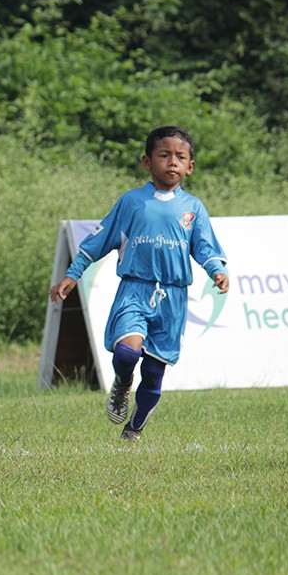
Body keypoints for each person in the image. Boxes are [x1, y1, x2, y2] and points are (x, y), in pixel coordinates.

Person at [48, 126, 229, 441]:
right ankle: (121, 384)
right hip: (135, 289)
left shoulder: (193, 208)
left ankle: (134, 429)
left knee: (154, 373)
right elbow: (97, 242)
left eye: (180, 157)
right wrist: (72, 273)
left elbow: (204, 248)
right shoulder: (132, 202)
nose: (172, 162)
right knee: (128, 353)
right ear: (147, 161)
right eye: (164, 155)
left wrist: (216, 270)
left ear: (190, 166)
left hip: (173, 298)